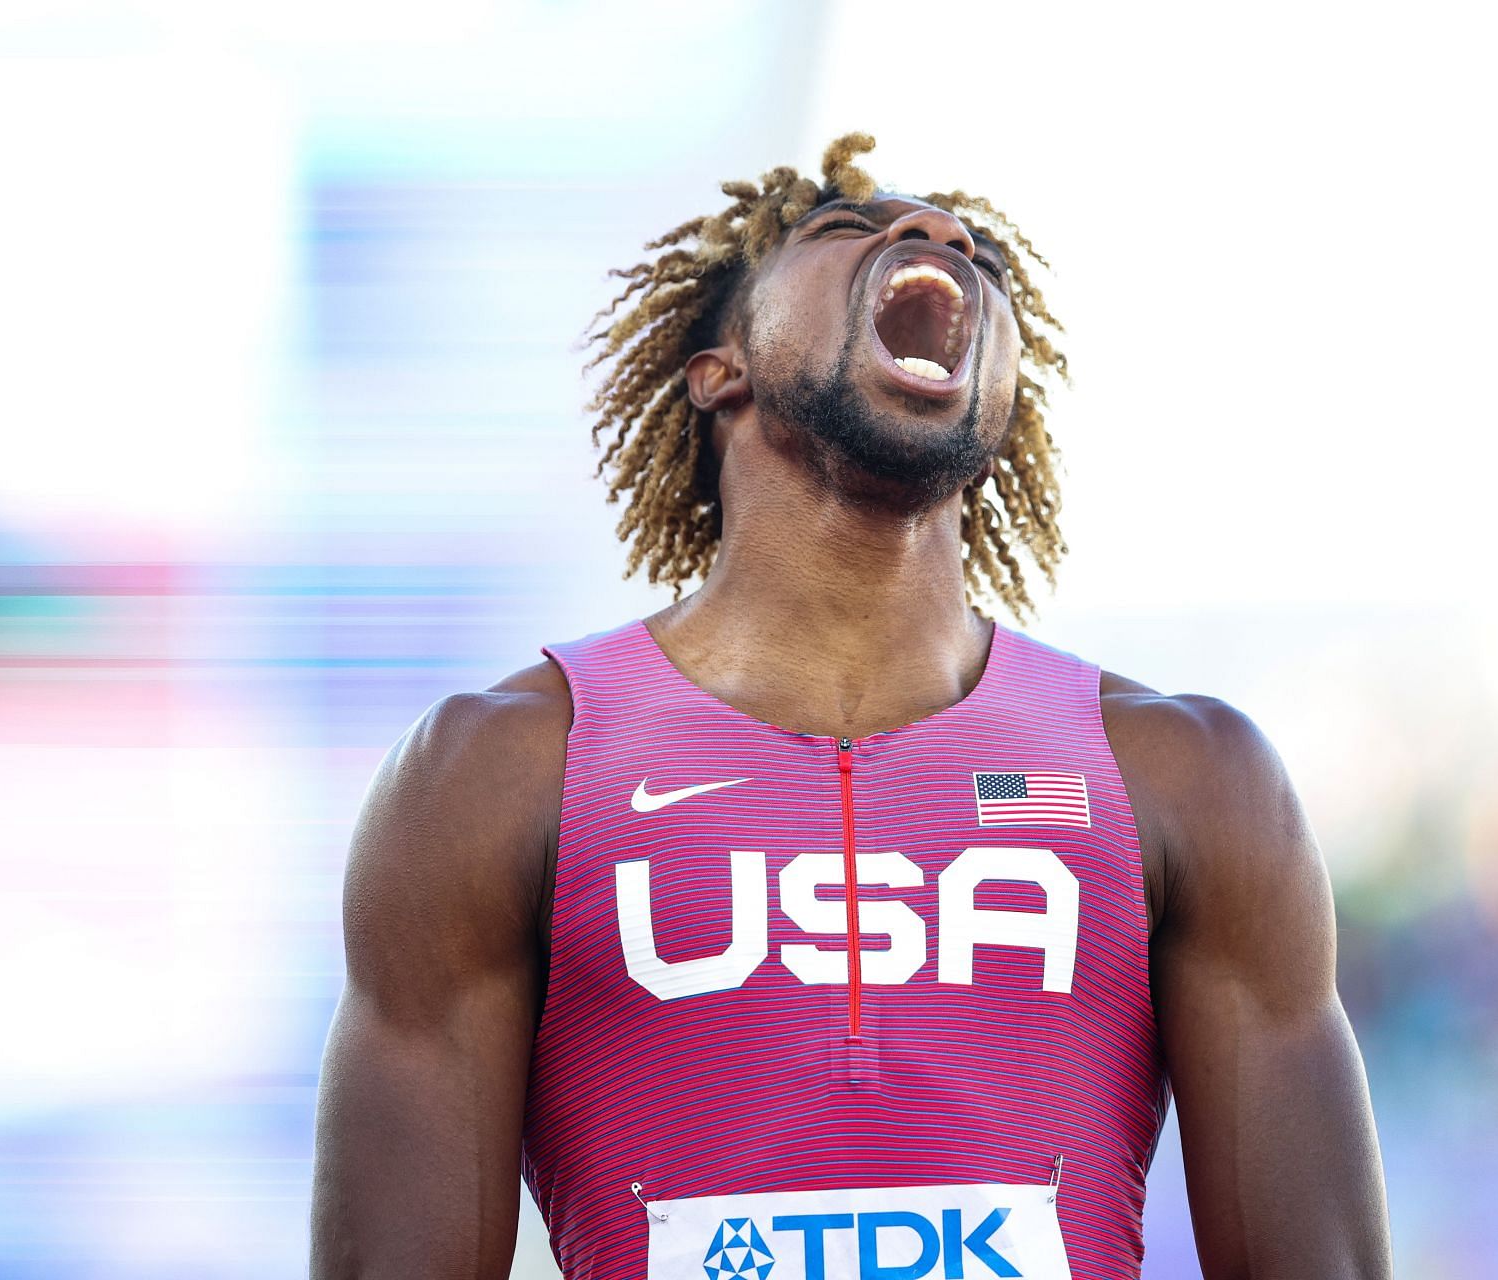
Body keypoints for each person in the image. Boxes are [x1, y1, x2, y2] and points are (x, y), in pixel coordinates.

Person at [309, 134, 1392, 1279]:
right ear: (719, 365)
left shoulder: (1188, 775)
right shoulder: (497, 770)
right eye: (845, 233)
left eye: (966, 245)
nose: (939, 239)